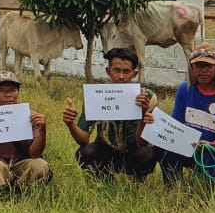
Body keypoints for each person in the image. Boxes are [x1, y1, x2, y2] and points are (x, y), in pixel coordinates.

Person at [62, 47, 158, 182]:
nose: (121, 76)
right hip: (105, 150)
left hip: (134, 152)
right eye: (116, 70)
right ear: (108, 71)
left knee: (148, 154)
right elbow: (83, 139)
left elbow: (142, 142)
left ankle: (138, 180)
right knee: (85, 153)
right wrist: (70, 123)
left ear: (134, 74)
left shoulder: (147, 97)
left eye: (126, 71)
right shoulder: (97, 95)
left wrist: (142, 116)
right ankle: (105, 180)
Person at [155, 42, 215, 184]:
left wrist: (212, 143)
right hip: (192, 147)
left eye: (209, 66)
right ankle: (173, 186)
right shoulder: (185, 89)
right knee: (163, 146)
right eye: (198, 66)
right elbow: (176, 123)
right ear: (191, 68)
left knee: (209, 185)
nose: (203, 71)